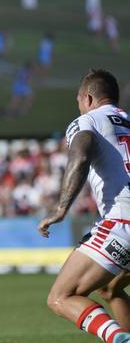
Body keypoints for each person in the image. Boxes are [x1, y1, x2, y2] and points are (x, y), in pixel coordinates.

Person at [37, 69, 130, 343]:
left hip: (122, 222)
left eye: (78, 101)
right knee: (110, 289)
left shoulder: (88, 120)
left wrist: (61, 208)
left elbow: (79, 156)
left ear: (88, 98)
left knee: (60, 297)